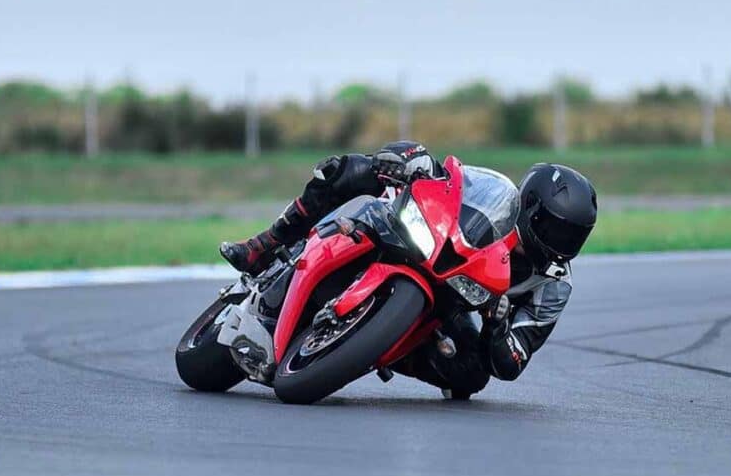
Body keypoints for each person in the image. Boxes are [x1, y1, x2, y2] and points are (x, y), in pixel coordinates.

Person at [220, 141, 597, 398]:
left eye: (573, 237)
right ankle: (265, 244)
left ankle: (375, 345)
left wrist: (497, 323)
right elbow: (446, 178)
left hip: (451, 302)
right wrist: (412, 159)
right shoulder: (494, 197)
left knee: (472, 375)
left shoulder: (553, 285)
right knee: (347, 170)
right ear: (531, 206)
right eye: (556, 229)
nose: (561, 243)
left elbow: (513, 361)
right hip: (412, 237)